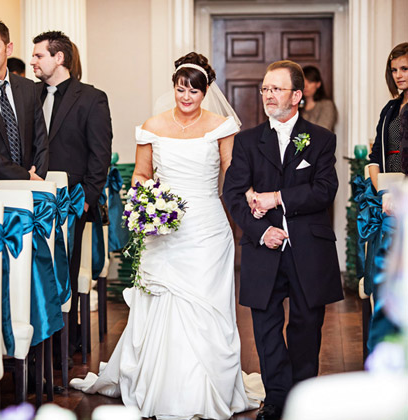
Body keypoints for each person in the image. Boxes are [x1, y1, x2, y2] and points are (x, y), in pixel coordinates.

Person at [70, 52, 258, 419]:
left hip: (206, 226)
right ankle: (159, 385)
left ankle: (207, 387)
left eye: (193, 91)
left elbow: (232, 176)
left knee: (204, 306)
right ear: (173, 88)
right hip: (163, 225)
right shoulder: (152, 126)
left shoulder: (221, 126)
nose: (185, 97)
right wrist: (147, 203)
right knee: (161, 302)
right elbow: (141, 175)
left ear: (206, 91)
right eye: (180, 89)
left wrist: (250, 202)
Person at [223, 60, 343, 420]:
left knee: (307, 326)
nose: (268, 95)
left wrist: (276, 198)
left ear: (297, 95)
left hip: (309, 248)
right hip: (264, 250)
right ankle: (276, 399)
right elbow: (233, 194)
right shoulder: (246, 141)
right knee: (266, 328)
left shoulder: (321, 139)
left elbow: (325, 190)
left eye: (275, 89)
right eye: (264, 89)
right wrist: (262, 231)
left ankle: (303, 398)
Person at [30, 31, 112, 357]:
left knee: (65, 272)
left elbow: (100, 154)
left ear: (58, 58)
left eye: (39, 56)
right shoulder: (28, 94)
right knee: (37, 271)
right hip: (33, 199)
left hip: (72, 203)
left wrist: (87, 199)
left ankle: (67, 340)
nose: (33, 61)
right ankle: (39, 342)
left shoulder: (92, 98)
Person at [0, 20, 48, 180]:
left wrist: (37, 178)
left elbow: (40, 139)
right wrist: (25, 177)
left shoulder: (27, 87)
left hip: (32, 187)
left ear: (9, 48)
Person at [369, 42, 408, 190]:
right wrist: (383, 192)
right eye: (394, 70)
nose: (398, 75)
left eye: (404, 69)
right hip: (389, 186)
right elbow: (375, 155)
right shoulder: (390, 108)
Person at [301, 65, 337, 131]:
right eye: (303, 82)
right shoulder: (296, 105)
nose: (306, 86)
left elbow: (323, 130)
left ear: (318, 84)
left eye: (310, 82)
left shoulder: (326, 105)